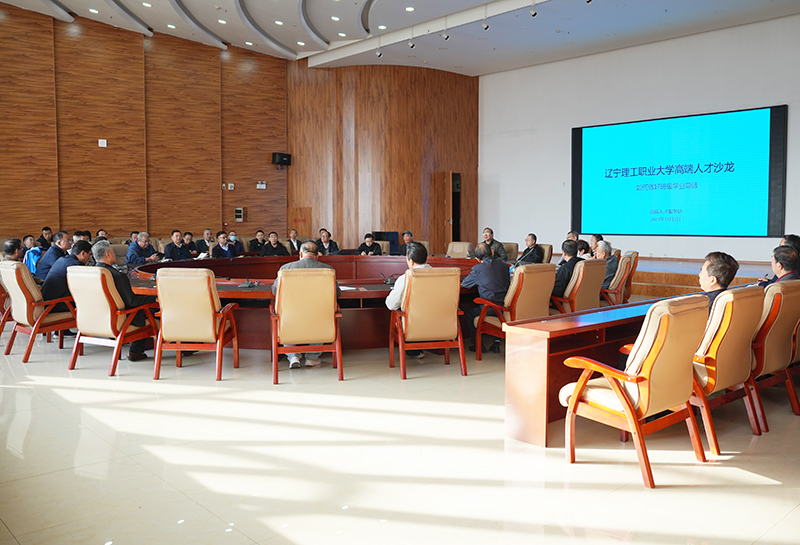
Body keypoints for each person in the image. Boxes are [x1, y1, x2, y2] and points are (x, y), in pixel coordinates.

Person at [272, 241, 341, 368]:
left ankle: (293, 357)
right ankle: (312, 358)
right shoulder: (328, 270)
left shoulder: (285, 269)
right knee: (322, 314)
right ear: (318, 255)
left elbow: (275, 291)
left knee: (285, 315)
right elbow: (336, 293)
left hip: (292, 317)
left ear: (300, 254)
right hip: (318, 318)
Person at [94, 241, 158, 362]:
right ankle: (135, 351)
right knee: (152, 312)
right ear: (108, 254)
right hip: (120, 319)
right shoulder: (117, 276)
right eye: (113, 252)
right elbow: (132, 301)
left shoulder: (91, 273)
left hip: (96, 318)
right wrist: (154, 298)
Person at [461, 242, 511, 353]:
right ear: (492, 252)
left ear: (477, 259)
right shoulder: (504, 266)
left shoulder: (478, 269)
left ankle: (478, 345)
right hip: (505, 307)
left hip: (489, 309)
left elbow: (465, 284)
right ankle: (496, 343)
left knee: (470, 313)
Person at [385, 242, 430, 359]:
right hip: (440, 324)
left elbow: (391, 304)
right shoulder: (443, 275)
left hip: (413, 325)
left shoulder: (406, 278)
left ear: (411, 261)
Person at [42, 240, 92, 313]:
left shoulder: (62, 259)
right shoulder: (76, 266)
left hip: (48, 303)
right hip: (57, 305)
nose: (89, 258)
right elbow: (82, 288)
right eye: (89, 254)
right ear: (83, 253)